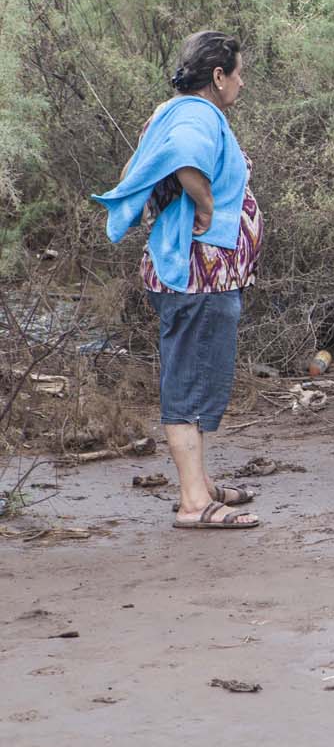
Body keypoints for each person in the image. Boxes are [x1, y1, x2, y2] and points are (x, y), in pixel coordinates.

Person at [93, 31, 263, 530]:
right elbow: (188, 159)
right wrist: (206, 207)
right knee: (188, 386)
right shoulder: (196, 116)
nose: (242, 82)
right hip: (196, 275)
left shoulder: (169, 111)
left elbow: (133, 169)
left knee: (197, 379)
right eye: (239, 72)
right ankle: (194, 503)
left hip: (186, 272)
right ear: (218, 76)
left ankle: (200, 484)